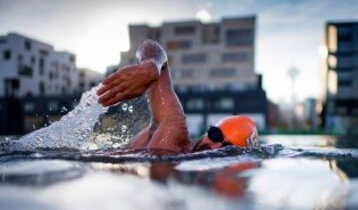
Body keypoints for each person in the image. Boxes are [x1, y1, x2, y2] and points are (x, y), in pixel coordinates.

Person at [97, 40, 258, 155]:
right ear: (206, 132)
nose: (213, 144)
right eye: (215, 134)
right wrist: (151, 68)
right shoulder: (174, 130)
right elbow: (152, 47)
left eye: (226, 147)